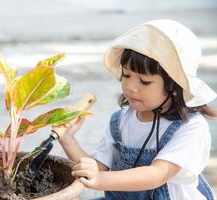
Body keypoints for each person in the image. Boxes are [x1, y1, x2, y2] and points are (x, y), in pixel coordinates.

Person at [53, 19, 217, 199]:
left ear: (175, 86)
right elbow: (97, 169)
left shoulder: (190, 128)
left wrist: (99, 178)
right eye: (126, 75)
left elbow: (157, 175)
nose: (130, 86)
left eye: (144, 81)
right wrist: (67, 138)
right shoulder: (121, 120)